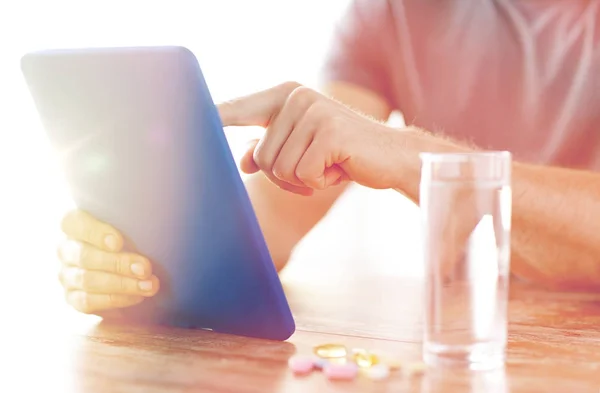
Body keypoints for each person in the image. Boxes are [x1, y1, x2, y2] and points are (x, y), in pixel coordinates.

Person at [57, 0, 600, 315]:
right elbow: (274, 218)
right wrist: (141, 264)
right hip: (471, 339)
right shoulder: (394, 13)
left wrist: (407, 153)